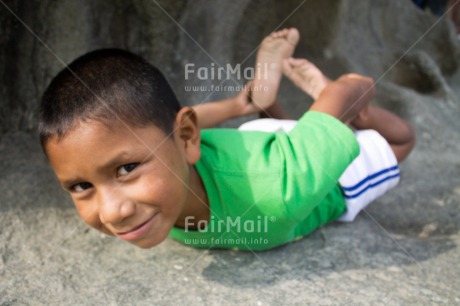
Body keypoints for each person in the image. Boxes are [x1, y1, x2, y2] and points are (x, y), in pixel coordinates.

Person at [38, 28, 415, 251]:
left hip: (319, 180)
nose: (111, 211)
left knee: (401, 141)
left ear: (188, 141)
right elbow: (173, 123)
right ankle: (262, 103)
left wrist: (346, 95)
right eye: (82, 185)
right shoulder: (158, 189)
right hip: (255, 146)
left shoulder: (280, 195)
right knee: (306, 138)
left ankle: (338, 108)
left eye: (127, 168)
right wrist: (235, 106)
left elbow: (298, 163)